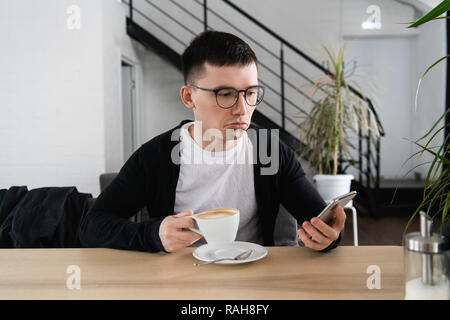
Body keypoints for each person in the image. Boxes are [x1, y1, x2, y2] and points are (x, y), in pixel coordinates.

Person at [79, 31, 346, 253]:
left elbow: (320, 223)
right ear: (188, 97)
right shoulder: (157, 156)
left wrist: (329, 236)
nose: (242, 109)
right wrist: (153, 234)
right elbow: (92, 226)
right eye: (226, 94)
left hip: (251, 279)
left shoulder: (271, 153)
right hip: (178, 281)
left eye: (250, 93)